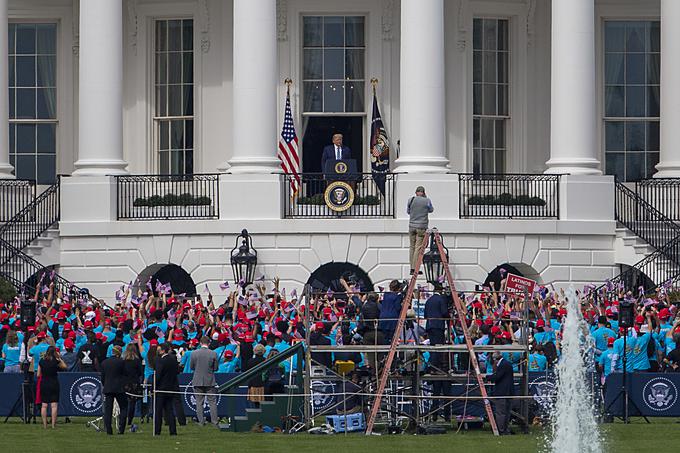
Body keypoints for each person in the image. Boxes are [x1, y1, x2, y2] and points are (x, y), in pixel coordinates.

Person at [190, 336, 219, 426]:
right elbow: (216, 368)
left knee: (199, 402)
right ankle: (214, 422)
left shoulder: (194, 353)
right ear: (209, 343)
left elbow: (192, 367)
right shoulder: (213, 353)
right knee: (212, 402)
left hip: (197, 379)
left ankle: (201, 421)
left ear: (200, 343)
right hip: (209, 380)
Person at [100, 345, 129, 435]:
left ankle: (109, 429)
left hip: (108, 388)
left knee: (108, 410)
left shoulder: (105, 362)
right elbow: (125, 374)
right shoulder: (122, 362)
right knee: (123, 407)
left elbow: (103, 377)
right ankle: (121, 429)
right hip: (119, 388)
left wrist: (105, 385)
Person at [154, 342, 180, 435]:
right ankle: (173, 431)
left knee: (158, 411)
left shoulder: (161, 361)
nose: (158, 351)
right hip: (171, 387)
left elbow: (158, 375)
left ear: (163, 350)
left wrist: (154, 386)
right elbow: (177, 371)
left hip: (161, 388)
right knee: (170, 410)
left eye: (159, 349)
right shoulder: (173, 360)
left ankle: (157, 431)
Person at [37, 346, 67, 429]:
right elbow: (64, 366)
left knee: (44, 405)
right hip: (54, 383)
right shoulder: (55, 361)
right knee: (54, 405)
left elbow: (38, 374)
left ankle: (45, 425)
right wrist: (59, 358)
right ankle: (53, 425)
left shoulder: (42, 361)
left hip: (44, 383)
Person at [487, 351, 515, 435]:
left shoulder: (503, 365)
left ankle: (501, 429)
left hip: (503, 392)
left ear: (495, 359)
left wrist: (487, 377)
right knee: (506, 412)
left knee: (501, 412)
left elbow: (497, 377)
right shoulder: (506, 363)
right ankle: (505, 429)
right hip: (508, 391)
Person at [407, 186, 433, 274]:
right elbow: (431, 210)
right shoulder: (427, 200)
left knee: (412, 247)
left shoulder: (410, 200)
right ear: (423, 192)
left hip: (411, 226)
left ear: (416, 192)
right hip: (421, 227)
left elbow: (408, 211)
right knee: (418, 248)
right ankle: (415, 269)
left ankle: (411, 267)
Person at [122, 343, 143, 430]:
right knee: (132, 403)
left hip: (125, 383)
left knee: (123, 403)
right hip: (134, 383)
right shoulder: (137, 361)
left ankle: (123, 418)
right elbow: (140, 372)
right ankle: (129, 420)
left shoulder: (123, 361)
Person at [246, 344, 266, 408]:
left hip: (253, 384)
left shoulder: (250, 361)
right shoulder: (266, 361)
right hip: (263, 384)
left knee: (255, 405)